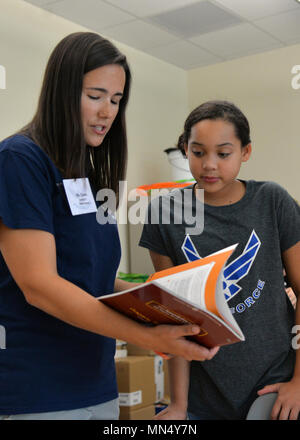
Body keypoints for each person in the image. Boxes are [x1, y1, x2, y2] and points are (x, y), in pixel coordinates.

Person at [0, 32, 218, 420]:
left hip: (97, 385)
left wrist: (161, 299)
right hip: (36, 391)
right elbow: (40, 286)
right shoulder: (20, 160)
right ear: (62, 92)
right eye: (95, 95)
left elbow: (93, 278)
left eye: (116, 100)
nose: (108, 112)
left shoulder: (83, 177)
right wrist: (147, 337)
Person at [139, 100, 300, 420]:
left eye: (223, 153)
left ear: (246, 152)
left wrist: (299, 381)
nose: (209, 164)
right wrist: (178, 404)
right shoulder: (163, 213)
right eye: (198, 152)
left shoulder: (272, 201)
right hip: (203, 393)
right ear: (185, 150)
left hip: (275, 384)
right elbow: (174, 313)